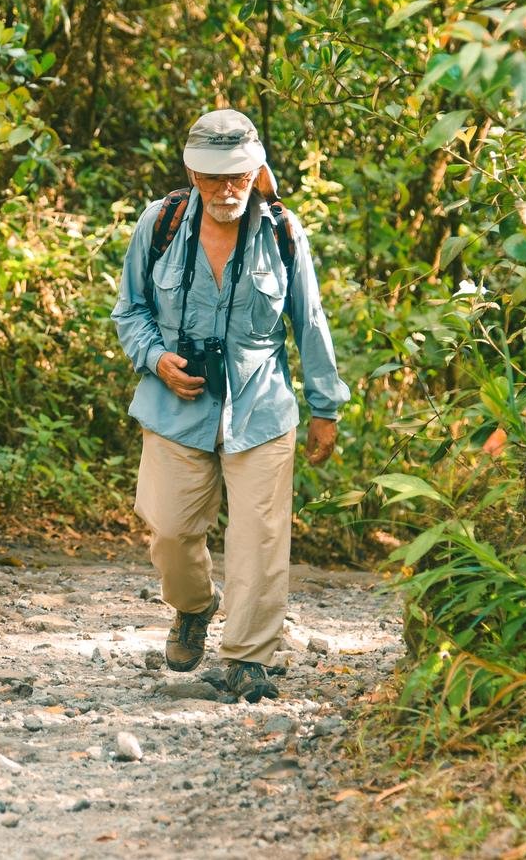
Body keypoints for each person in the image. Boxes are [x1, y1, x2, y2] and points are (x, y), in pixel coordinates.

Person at [111, 108, 349, 702]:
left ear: (256, 169)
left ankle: (248, 657)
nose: (227, 189)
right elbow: (129, 309)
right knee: (168, 530)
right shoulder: (159, 225)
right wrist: (155, 357)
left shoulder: (283, 233)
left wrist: (326, 408)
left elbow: (310, 323)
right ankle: (193, 607)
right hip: (176, 407)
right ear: (192, 174)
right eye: (214, 177)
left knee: (260, 540)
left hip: (262, 407)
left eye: (239, 175)